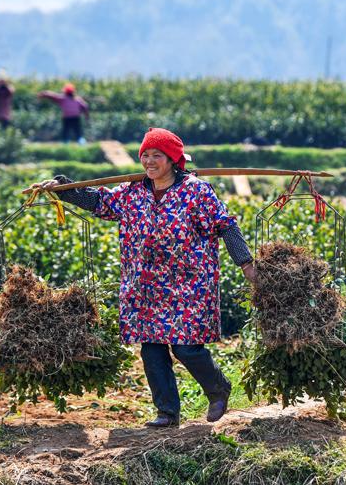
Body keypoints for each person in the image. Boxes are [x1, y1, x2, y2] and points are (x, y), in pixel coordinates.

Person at [32, 127, 256, 428]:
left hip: (187, 284)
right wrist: (63, 189)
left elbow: (226, 225)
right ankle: (167, 412)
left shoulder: (196, 191)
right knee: (151, 347)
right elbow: (99, 202)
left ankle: (218, 389)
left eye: (157, 156)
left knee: (186, 346)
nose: (149, 162)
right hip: (145, 286)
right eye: (145, 155)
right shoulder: (132, 191)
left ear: (173, 160)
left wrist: (246, 264)